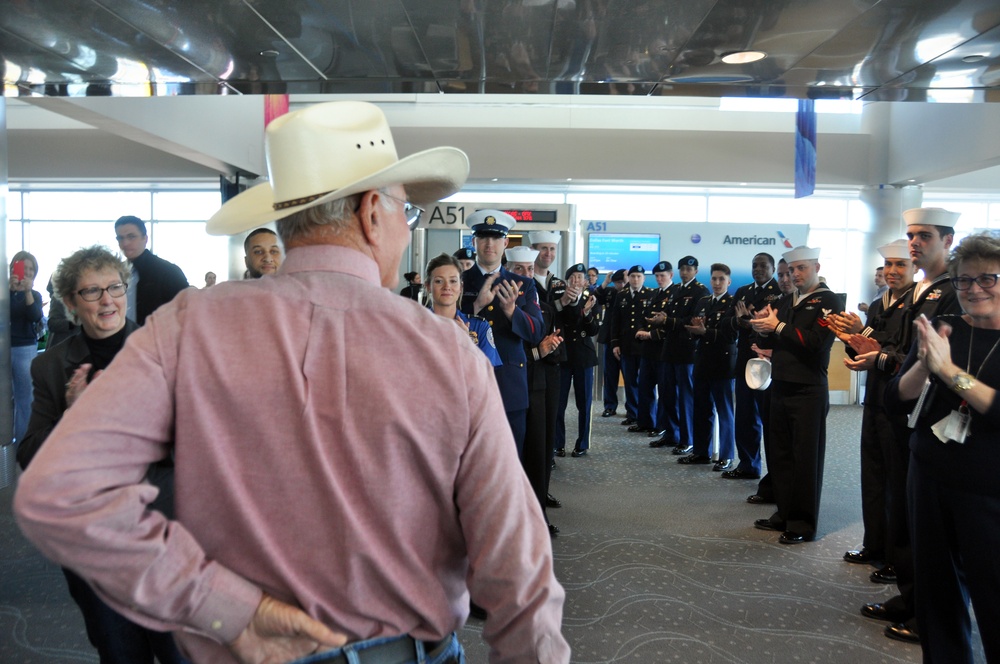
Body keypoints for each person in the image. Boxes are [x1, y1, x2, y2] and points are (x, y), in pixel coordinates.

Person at [16, 100, 569, 664]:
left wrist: (222, 606)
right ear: (372, 211)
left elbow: (60, 494)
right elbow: (516, 565)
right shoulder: (446, 349)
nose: (406, 231)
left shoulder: (188, 325)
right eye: (406, 210)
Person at [16, 246, 186, 664]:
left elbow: (203, 443)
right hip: (93, 537)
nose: (107, 300)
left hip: (165, 527)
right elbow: (31, 454)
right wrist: (75, 417)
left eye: (114, 287)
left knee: (180, 651)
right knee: (118, 649)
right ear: (71, 303)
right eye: (91, 292)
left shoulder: (169, 352)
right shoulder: (52, 366)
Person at [886, 231, 1000, 664]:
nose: (973, 289)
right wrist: (923, 365)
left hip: (987, 488)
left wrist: (948, 371)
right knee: (936, 593)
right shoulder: (945, 330)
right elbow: (895, 398)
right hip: (929, 475)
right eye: (964, 281)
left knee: (992, 594)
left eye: (987, 279)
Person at [853, 207, 961, 645]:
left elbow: (944, 364)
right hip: (906, 411)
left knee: (930, 525)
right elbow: (906, 353)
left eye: (925, 236)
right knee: (903, 508)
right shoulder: (921, 291)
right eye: (911, 235)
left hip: (938, 419)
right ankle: (910, 597)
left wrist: (882, 357)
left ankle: (928, 615)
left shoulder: (952, 292)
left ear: (948, 241)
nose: (914, 243)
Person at [833, 239, 915, 584]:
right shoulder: (882, 301)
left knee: (898, 482)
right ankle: (874, 544)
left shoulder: (918, 302)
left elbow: (901, 351)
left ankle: (899, 559)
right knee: (874, 474)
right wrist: (857, 347)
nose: (892, 272)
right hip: (876, 397)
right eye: (888, 266)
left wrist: (863, 335)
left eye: (900, 265)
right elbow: (872, 343)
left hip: (902, 403)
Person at [750, 245, 841, 544]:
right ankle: (784, 514)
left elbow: (815, 342)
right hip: (782, 383)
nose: (795, 275)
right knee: (780, 454)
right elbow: (783, 336)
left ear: (816, 266)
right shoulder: (789, 300)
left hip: (808, 390)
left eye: (801, 268)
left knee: (805, 459)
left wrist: (777, 326)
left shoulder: (829, 301)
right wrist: (765, 331)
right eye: (791, 271)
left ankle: (802, 524)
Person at [461, 209, 546, 458]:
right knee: (469, 461)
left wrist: (511, 311)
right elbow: (441, 325)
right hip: (467, 382)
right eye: (484, 237)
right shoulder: (458, 281)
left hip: (509, 383)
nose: (489, 244)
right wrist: (474, 307)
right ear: (474, 241)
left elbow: (537, 332)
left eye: (496, 238)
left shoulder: (525, 285)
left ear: (506, 243)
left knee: (509, 460)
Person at [507, 245, 564, 536]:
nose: (526, 276)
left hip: (538, 388)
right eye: (519, 270)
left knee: (538, 457)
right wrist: (536, 353)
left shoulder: (543, 305)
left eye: (530, 270)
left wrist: (543, 352)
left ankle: (536, 515)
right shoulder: (494, 304)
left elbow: (554, 350)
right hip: (506, 390)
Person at [722, 253, 780, 480]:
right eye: (754, 266)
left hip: (768, 365)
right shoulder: (743, 291)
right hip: (745, 364)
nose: (758, 269)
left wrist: (750, 321)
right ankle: (748, 465)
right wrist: (739, 321)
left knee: (768, 420)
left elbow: (774, 326)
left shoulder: (779, 293)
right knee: (745, 417)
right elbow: (727, 322)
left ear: (772, 268)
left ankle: (774, 473)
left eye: (763, 266)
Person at [647, 256, 709, 456]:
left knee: (685, 398)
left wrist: (668, 320)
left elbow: (693, 320)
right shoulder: (676, 291)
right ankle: (671, 434)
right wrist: (662, 318)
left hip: (686, 351)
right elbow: (670, 316)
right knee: (667, 395)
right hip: (669, 349)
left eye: (688, 269)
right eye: (682, 269)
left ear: (696, 271)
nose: (684, 272)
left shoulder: (700, 291)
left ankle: (687, 439)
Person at [747, 257, 796, 505]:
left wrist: (772, 347)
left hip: (797, 383)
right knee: (773, 437)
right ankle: (773, 484)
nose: (786, 279)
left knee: (788, 443)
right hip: (772, 377)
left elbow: (807, 344)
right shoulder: (780, 302)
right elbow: (770, 340)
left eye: (792, 273)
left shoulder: (812, 303)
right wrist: (762, 331)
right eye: (783, 275)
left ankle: (782, 491)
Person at [681, 263, 737, 470]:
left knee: (724, 411)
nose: (717, 283)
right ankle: (701, 452)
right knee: (701, 409)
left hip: (722, 363)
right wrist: (694, 330)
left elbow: (731, 336)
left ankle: (726, 455)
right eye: (714, 278)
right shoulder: (704, 301)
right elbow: (695, 330)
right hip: (702, 361)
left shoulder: (732, 303)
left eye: (721, 279)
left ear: (728, 282)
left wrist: (705, 332)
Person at [554, 263, 599, 457]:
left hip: (583, 356)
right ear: (566, 281)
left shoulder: (591, 299)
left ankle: (582, 442)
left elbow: (593, 330)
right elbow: (561, 320)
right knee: (559, 403)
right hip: (563, 356)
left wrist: (587, 312)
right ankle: (558, 443)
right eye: (573, 277)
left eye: (580, 277)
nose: (576, 281)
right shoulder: (559, 299)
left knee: (584, 403)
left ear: (585, 282)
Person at [425, 253, 501, 366]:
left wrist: (467, 344)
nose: (447, 287)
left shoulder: (479, 326)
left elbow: (486, 374)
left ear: (461, 287)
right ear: (428, 286)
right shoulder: (415, 325)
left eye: (453, 281)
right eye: (439, 281)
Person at [114, 215, 189, 325]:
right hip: (123, 338)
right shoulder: (116, 272)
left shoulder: (169, 272)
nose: (125, 243)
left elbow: (186, 310)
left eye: (131, 237)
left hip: (160, 338)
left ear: (145, 238)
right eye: (120, 238)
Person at [635, 261, 673, 439]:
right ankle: (645, 422)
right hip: (648, 349)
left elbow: (670, 323)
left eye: (662, 275)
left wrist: (652, 334)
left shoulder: (674, 294)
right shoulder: (653, 294)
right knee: (645, 387)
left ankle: (660, 425)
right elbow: (644, 317)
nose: (659, 279)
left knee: (664, 391)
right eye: (657, 276)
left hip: (663, 349)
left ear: (670, 276)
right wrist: (641, 330)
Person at [611, 265, 652, 428]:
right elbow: (616, 321)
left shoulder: (651, 294)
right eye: (633, 276)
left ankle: (645, 415)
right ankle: (632, 413)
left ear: (644, 278)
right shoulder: (621, 295)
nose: (635, 280)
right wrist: (615, 343)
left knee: (645, 383)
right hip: (626, 346)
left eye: (639, 277)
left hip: (644, 346)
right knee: (630, 381)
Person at [9, 251, 42, 445]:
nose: (27, 272)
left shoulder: (35, 295)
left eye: (31, 269)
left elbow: (35, 316)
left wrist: (27, 291)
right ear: (13, 268)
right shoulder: (3, 291)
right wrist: (7, 288)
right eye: (23, 268)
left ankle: (22, 444)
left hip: (25, 348)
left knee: (25, 399)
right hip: (4, 348)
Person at [596, 269, 626, 417]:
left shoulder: (631, 294)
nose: (620, 285)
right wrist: (606, 282)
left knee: (630, 376)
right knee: (610, 375)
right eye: (617, 282)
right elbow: (595, 297)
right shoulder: (610, 292)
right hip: (609, 338)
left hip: (627, 341)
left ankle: (632, 408)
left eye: (622, 282)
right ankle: (610, 406)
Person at [529, 230, 562, 301]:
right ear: (532, 250)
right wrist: (562, 302)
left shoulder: (560, 284)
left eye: (552, 249)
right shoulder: (525, 281)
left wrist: (573, 302)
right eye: (544, 248)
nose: (548, 253)